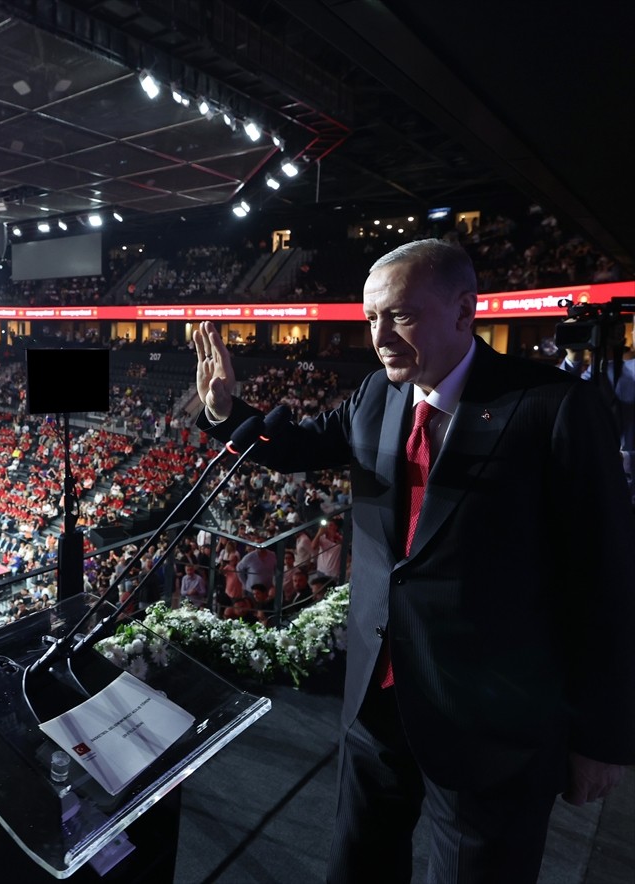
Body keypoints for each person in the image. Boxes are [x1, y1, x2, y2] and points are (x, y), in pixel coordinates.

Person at [193, 238, 635, 883]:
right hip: (377, 697)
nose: (381, 336)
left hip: (494, 719)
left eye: (399, 315)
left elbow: (606, 580)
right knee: (360, 864)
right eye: (372, 318)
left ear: (464, 310)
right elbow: (294, 446)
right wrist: (227, 411)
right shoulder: (377, 395)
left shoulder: (554, 406)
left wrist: (601, 736)